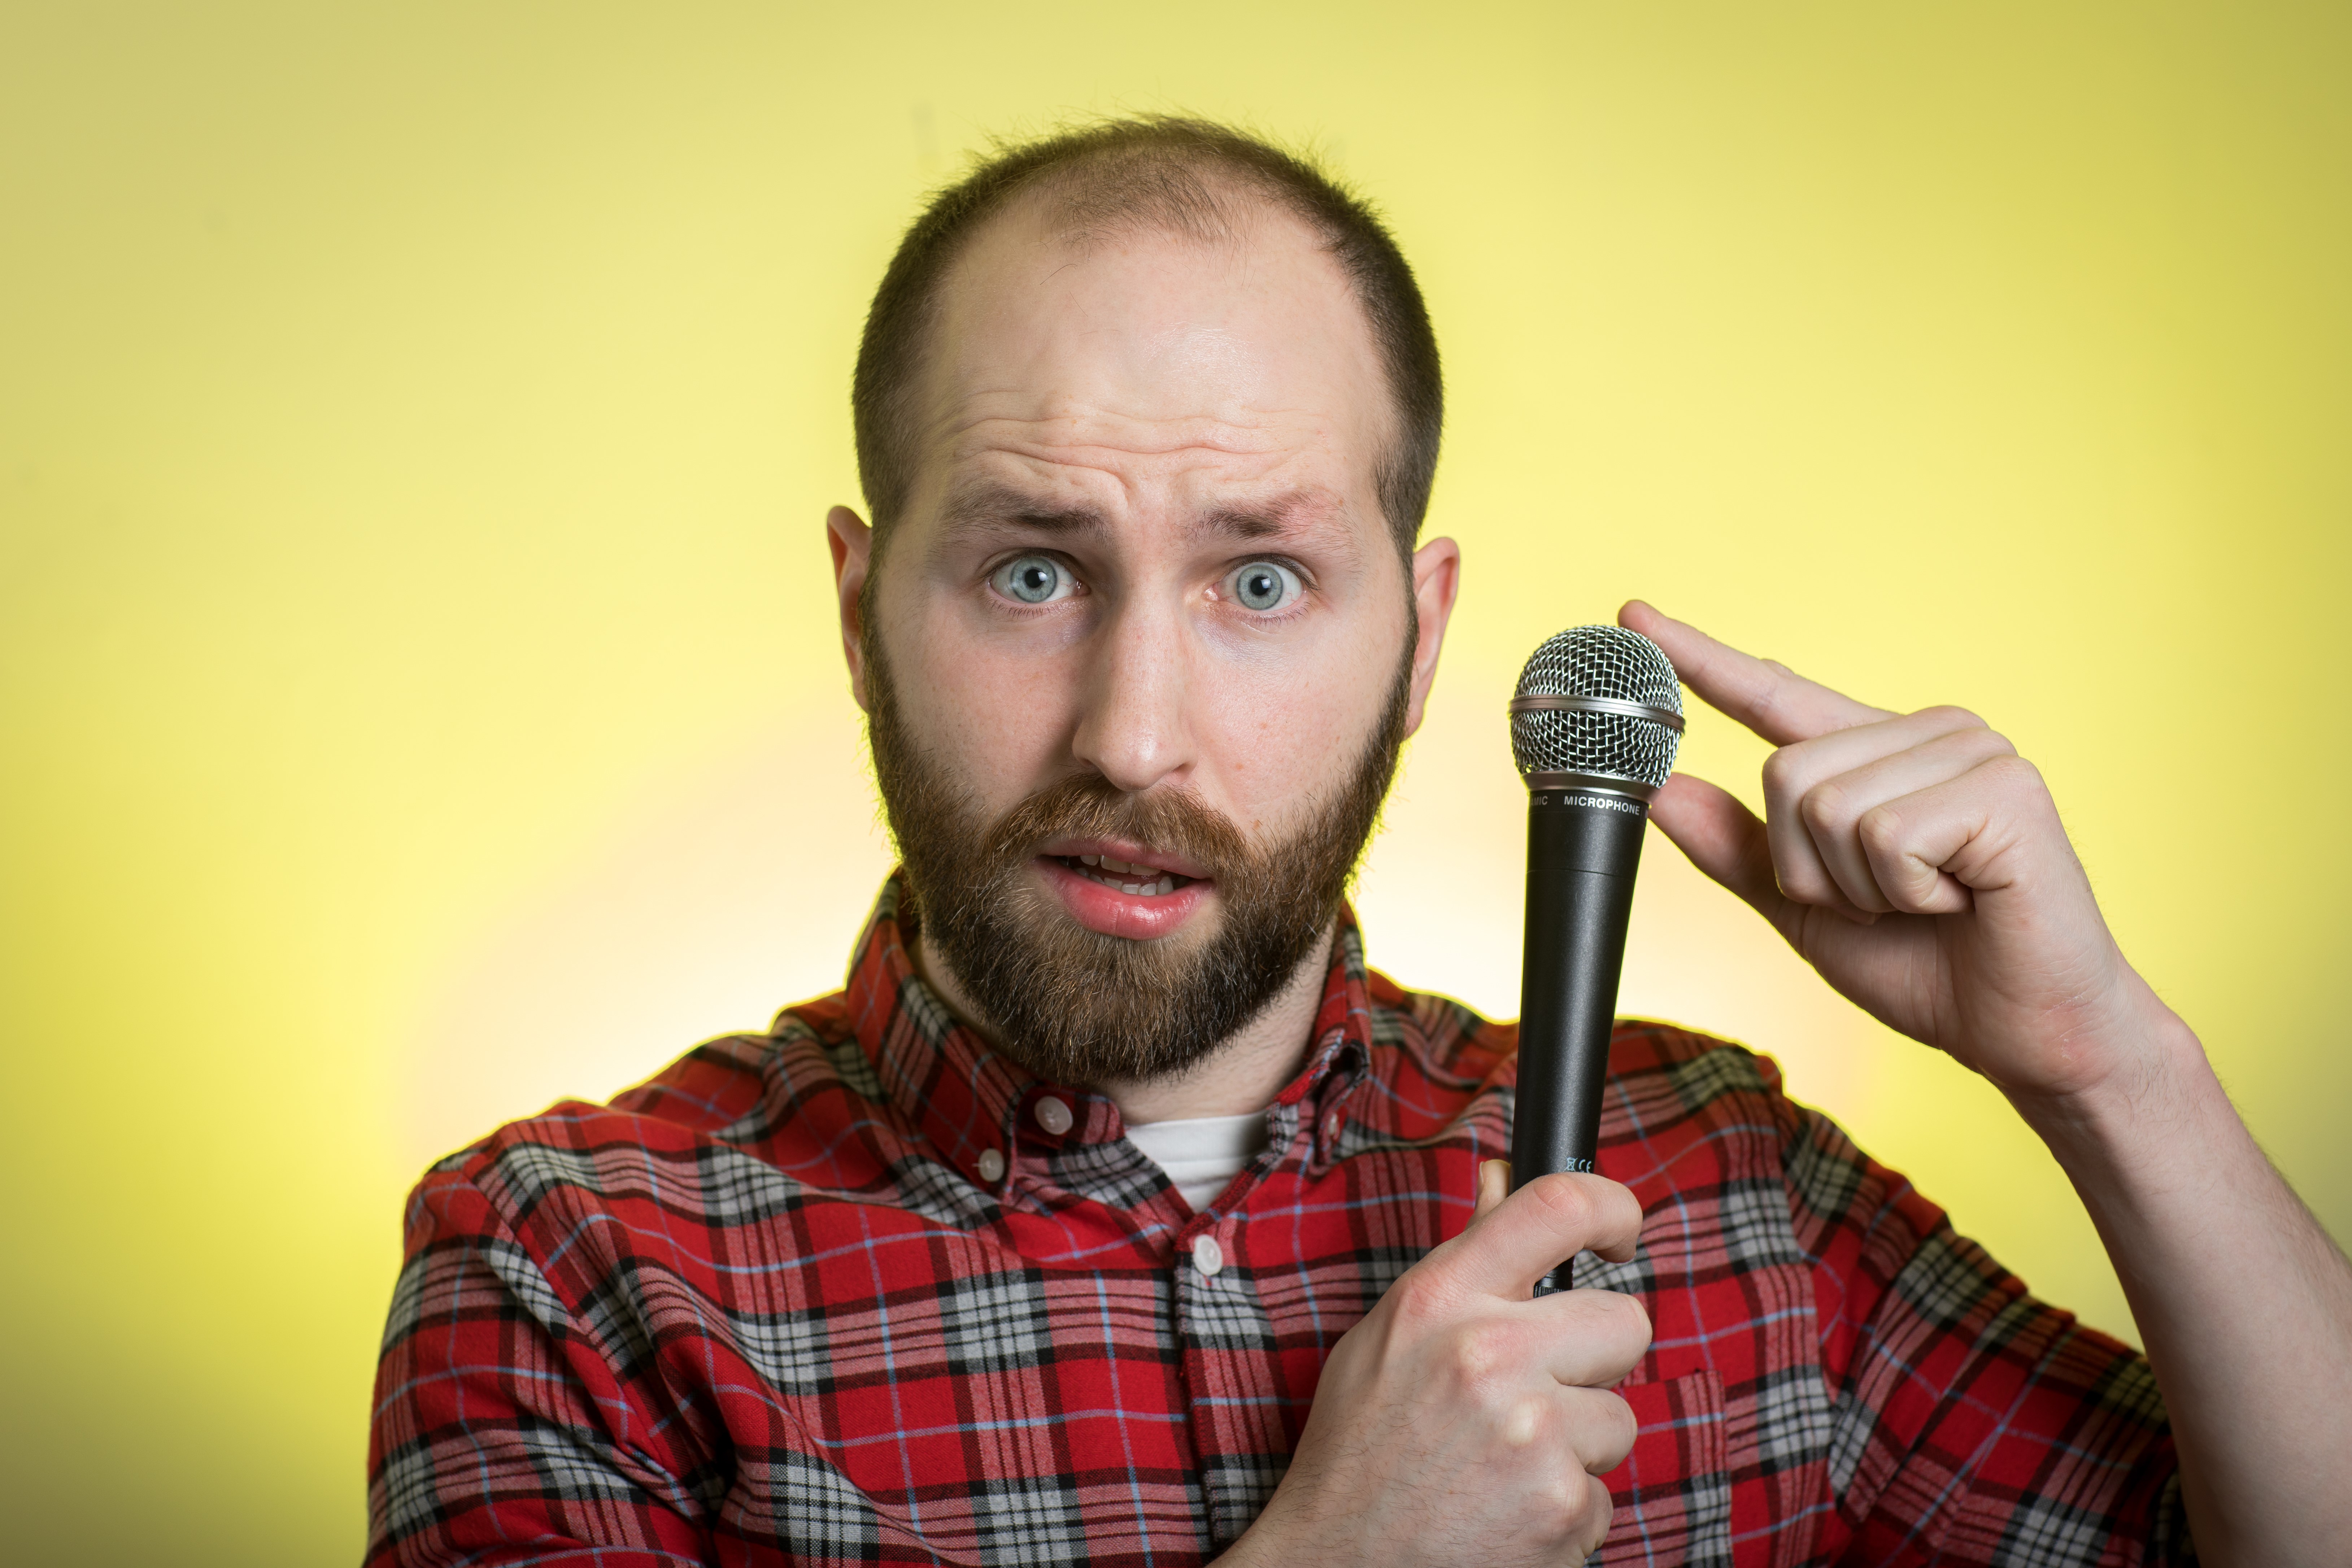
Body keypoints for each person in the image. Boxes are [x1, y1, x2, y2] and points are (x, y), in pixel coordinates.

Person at [363, 117, 2352, 1568]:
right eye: (1035, 567)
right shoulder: (575, 1261)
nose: (1134, 730)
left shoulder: (1726, 1187)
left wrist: (2112, 1071)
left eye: (1259, 583)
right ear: (862, 608)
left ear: (1420, 639)